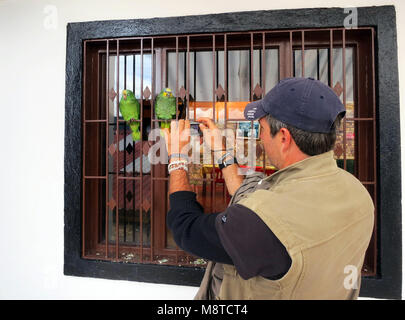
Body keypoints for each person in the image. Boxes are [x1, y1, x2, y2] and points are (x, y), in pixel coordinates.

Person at [163, 77, 374, 300]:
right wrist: (222, 153)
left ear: (283, 137)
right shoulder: (357, 193)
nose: (260, 137)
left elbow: (185, 228)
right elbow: (251, 201)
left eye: (261, 128)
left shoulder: (264, 222)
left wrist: (177, 157)